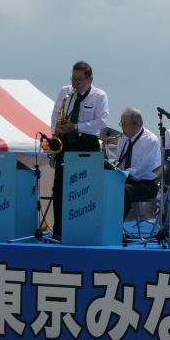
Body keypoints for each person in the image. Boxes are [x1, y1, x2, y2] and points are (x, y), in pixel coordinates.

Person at [50, 61, 109, 241]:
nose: (75, 83)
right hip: (66, 143)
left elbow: (102, 122)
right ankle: (58, 229)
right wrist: (56, 132)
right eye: (73, 78)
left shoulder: (99, 95)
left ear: (90, 79)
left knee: (86, 186)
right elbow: (55, 114)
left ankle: (85, 226)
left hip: (86, 142)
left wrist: (76, 127)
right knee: (59, 186)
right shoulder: (65, 91)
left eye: (79, 80)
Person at [116, 108, 162, 221]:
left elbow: (144, 169)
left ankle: (116, 227)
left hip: (146, 184)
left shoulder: (150, 140)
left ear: (136, 125)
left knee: (123, 190)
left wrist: (126, 173)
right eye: (121, 124)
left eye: (124, 124)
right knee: (109, 187)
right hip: (127, 180)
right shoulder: (123, 139)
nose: (122, 127)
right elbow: (119, 162)